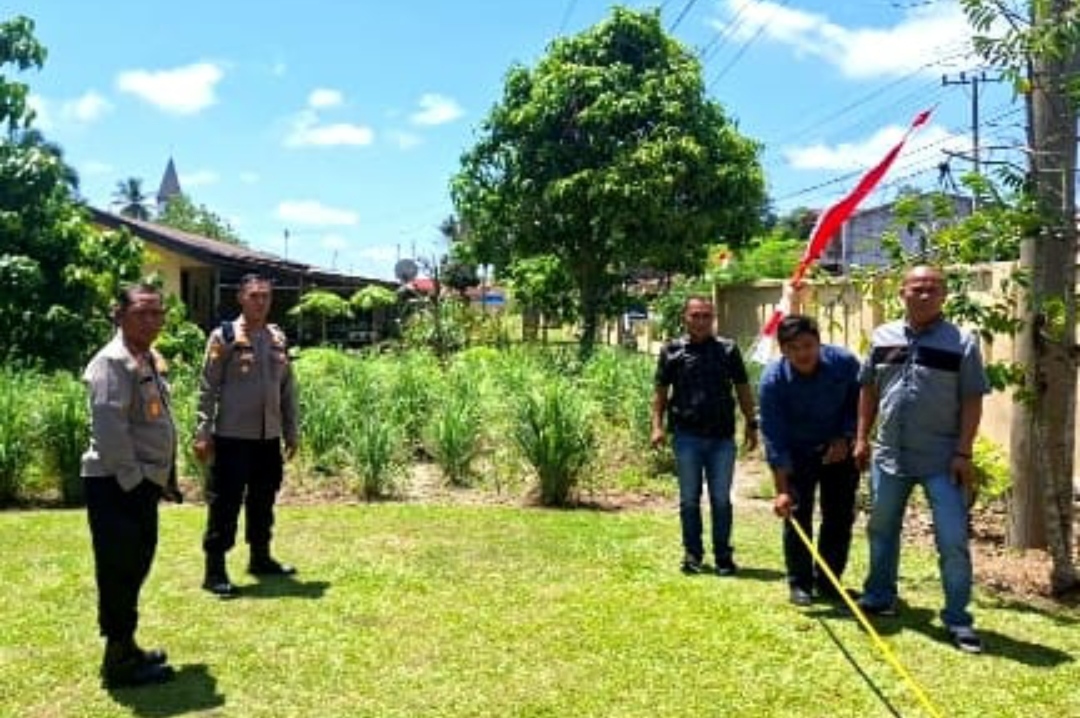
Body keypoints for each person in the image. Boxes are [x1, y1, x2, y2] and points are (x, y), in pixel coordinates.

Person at [854, 265, 989, 654]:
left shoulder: (962, 342)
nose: (924, 294)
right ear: (902, 293)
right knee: (881, 529)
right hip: (889, 454)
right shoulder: (882, 337)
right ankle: (880, 596)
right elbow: (868, 390)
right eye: (917, 288)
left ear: (945, 295)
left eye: (933, 289)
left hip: (943, 458)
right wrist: (862, 437)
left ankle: (958, 619)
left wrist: (964, 451)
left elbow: (971, 399)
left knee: (952, 539)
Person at [82, 283, 179, 687]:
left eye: (158, 313)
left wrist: (164, 478)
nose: (152, 320)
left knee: (134, 567)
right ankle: (118, 664)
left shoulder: (144, 358)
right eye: (142, 312)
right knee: (120, 570)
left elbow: (151, 421)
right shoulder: (112, 361)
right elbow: (110, 428)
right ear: (119, 316)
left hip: (139, 483)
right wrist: (136, 481)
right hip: (117, 484)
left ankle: (126, 647)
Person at [195, 274, 300, 597]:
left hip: (267, 438)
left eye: (266, 296)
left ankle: (260, 557)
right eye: (254, 295)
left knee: (263, 500)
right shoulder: (224, 336)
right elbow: (208, 388)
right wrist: (202, 431)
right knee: (225, 503)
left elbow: (287, 389)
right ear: (241, 298)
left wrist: (290, 429)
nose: (261, 302)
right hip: (232, 437)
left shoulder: (276, 338)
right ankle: (215, 571)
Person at [651, 295, 758, 576]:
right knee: (689, 499)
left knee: (721, 500)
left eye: (706, 316)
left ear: (713, 319)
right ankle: (693, 554)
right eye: (695, 315)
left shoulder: (728, 350)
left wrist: (751, 422)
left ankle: (723, 556)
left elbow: (743, 388)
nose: (701, 321)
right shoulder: (671, 351)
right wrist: (657, 426)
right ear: (685, 318)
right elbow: (660, 393)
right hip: (686, 436)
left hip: (722, 437)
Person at [758, 315, 861, 606]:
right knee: (797, 515)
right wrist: (781, 489)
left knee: (839, 516)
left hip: (839, 448)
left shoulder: (844, 363)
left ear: (819, 342)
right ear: (783, 350)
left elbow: (861, 402)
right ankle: (800, 583)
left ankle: (830, 582)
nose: (802, 353)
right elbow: (774, 437)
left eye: (808, 345)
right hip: (797, 453)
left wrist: (846, 436)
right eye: (793, 348)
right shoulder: (772, 381)